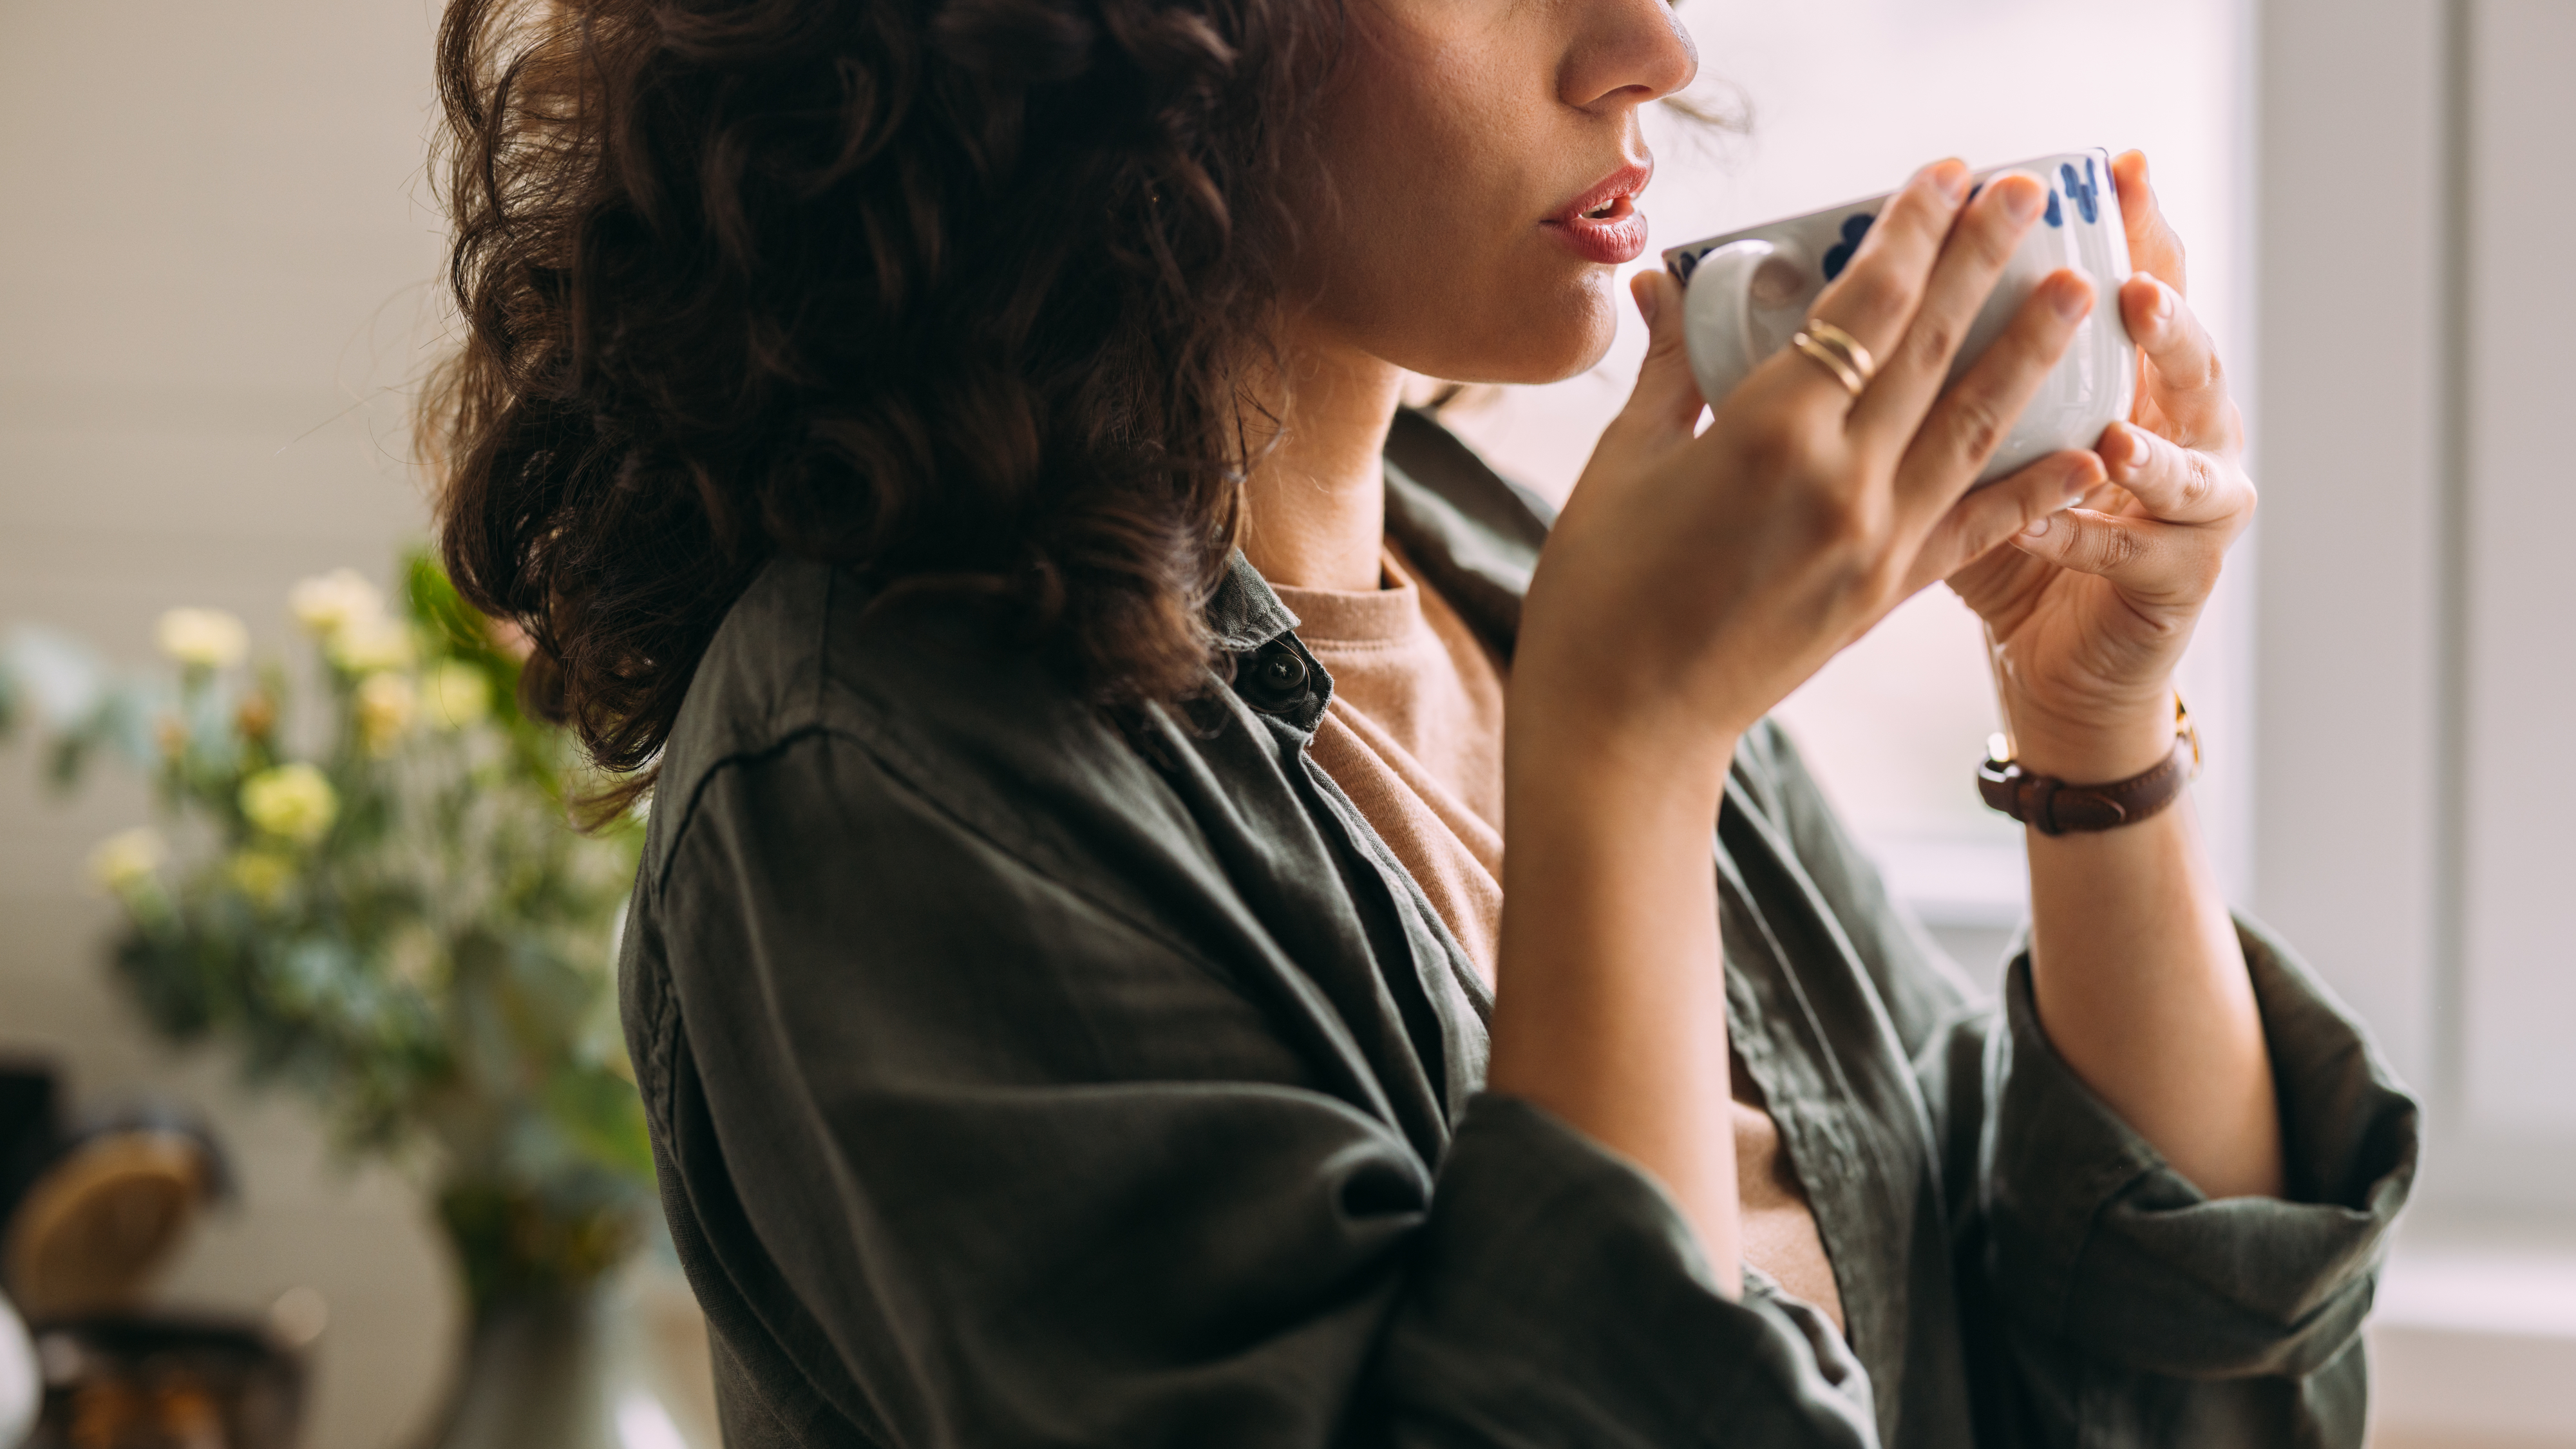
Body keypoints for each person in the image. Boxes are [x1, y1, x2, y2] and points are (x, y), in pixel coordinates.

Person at [422, 0, 2418, 1442]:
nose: (1649, 40)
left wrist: (2098, 739)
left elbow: (2166, 1397)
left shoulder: (1505, 589)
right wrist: (1628, 753)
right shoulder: (887, 775)